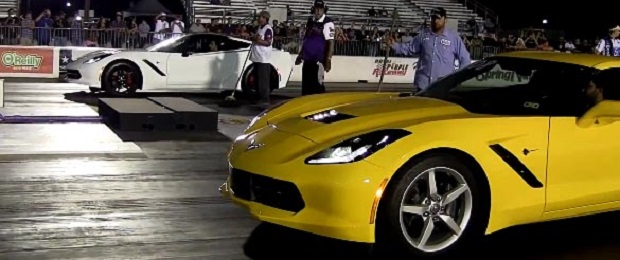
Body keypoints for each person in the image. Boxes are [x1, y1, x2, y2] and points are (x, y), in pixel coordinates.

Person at [387, 8, 471, 92]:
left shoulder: (454, 38)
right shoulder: (423, 35)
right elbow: (410, 48)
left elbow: (465, 59)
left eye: (438, 18)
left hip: (444, 86)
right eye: (432, 18)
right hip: (423, 85)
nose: (434, 21)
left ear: (445, 19)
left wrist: (458, 78)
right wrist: (394, 45)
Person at [295, 0, 335, 95]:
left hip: (318, 60)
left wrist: (328, 59)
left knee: (317, 87)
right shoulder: (310, 21)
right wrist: (300, 55)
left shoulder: (328, 22)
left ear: (324, 10)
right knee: (306, 87)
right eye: (316, 9)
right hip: (307, 59)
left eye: (320, 9)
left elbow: (331, 42)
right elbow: (306, 38)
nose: (318, 11)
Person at [250, 10, 274, 108]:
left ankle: (264, 99)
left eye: (262, 17)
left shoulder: (268, 29)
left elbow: (268, 42)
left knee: (263, 80)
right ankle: (259, 97)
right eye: (259, 17)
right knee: (257, 80)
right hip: (257, 58)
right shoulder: (260, 28)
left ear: (266, 19)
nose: (260, 19)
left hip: (263, 58)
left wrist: (257, 40)